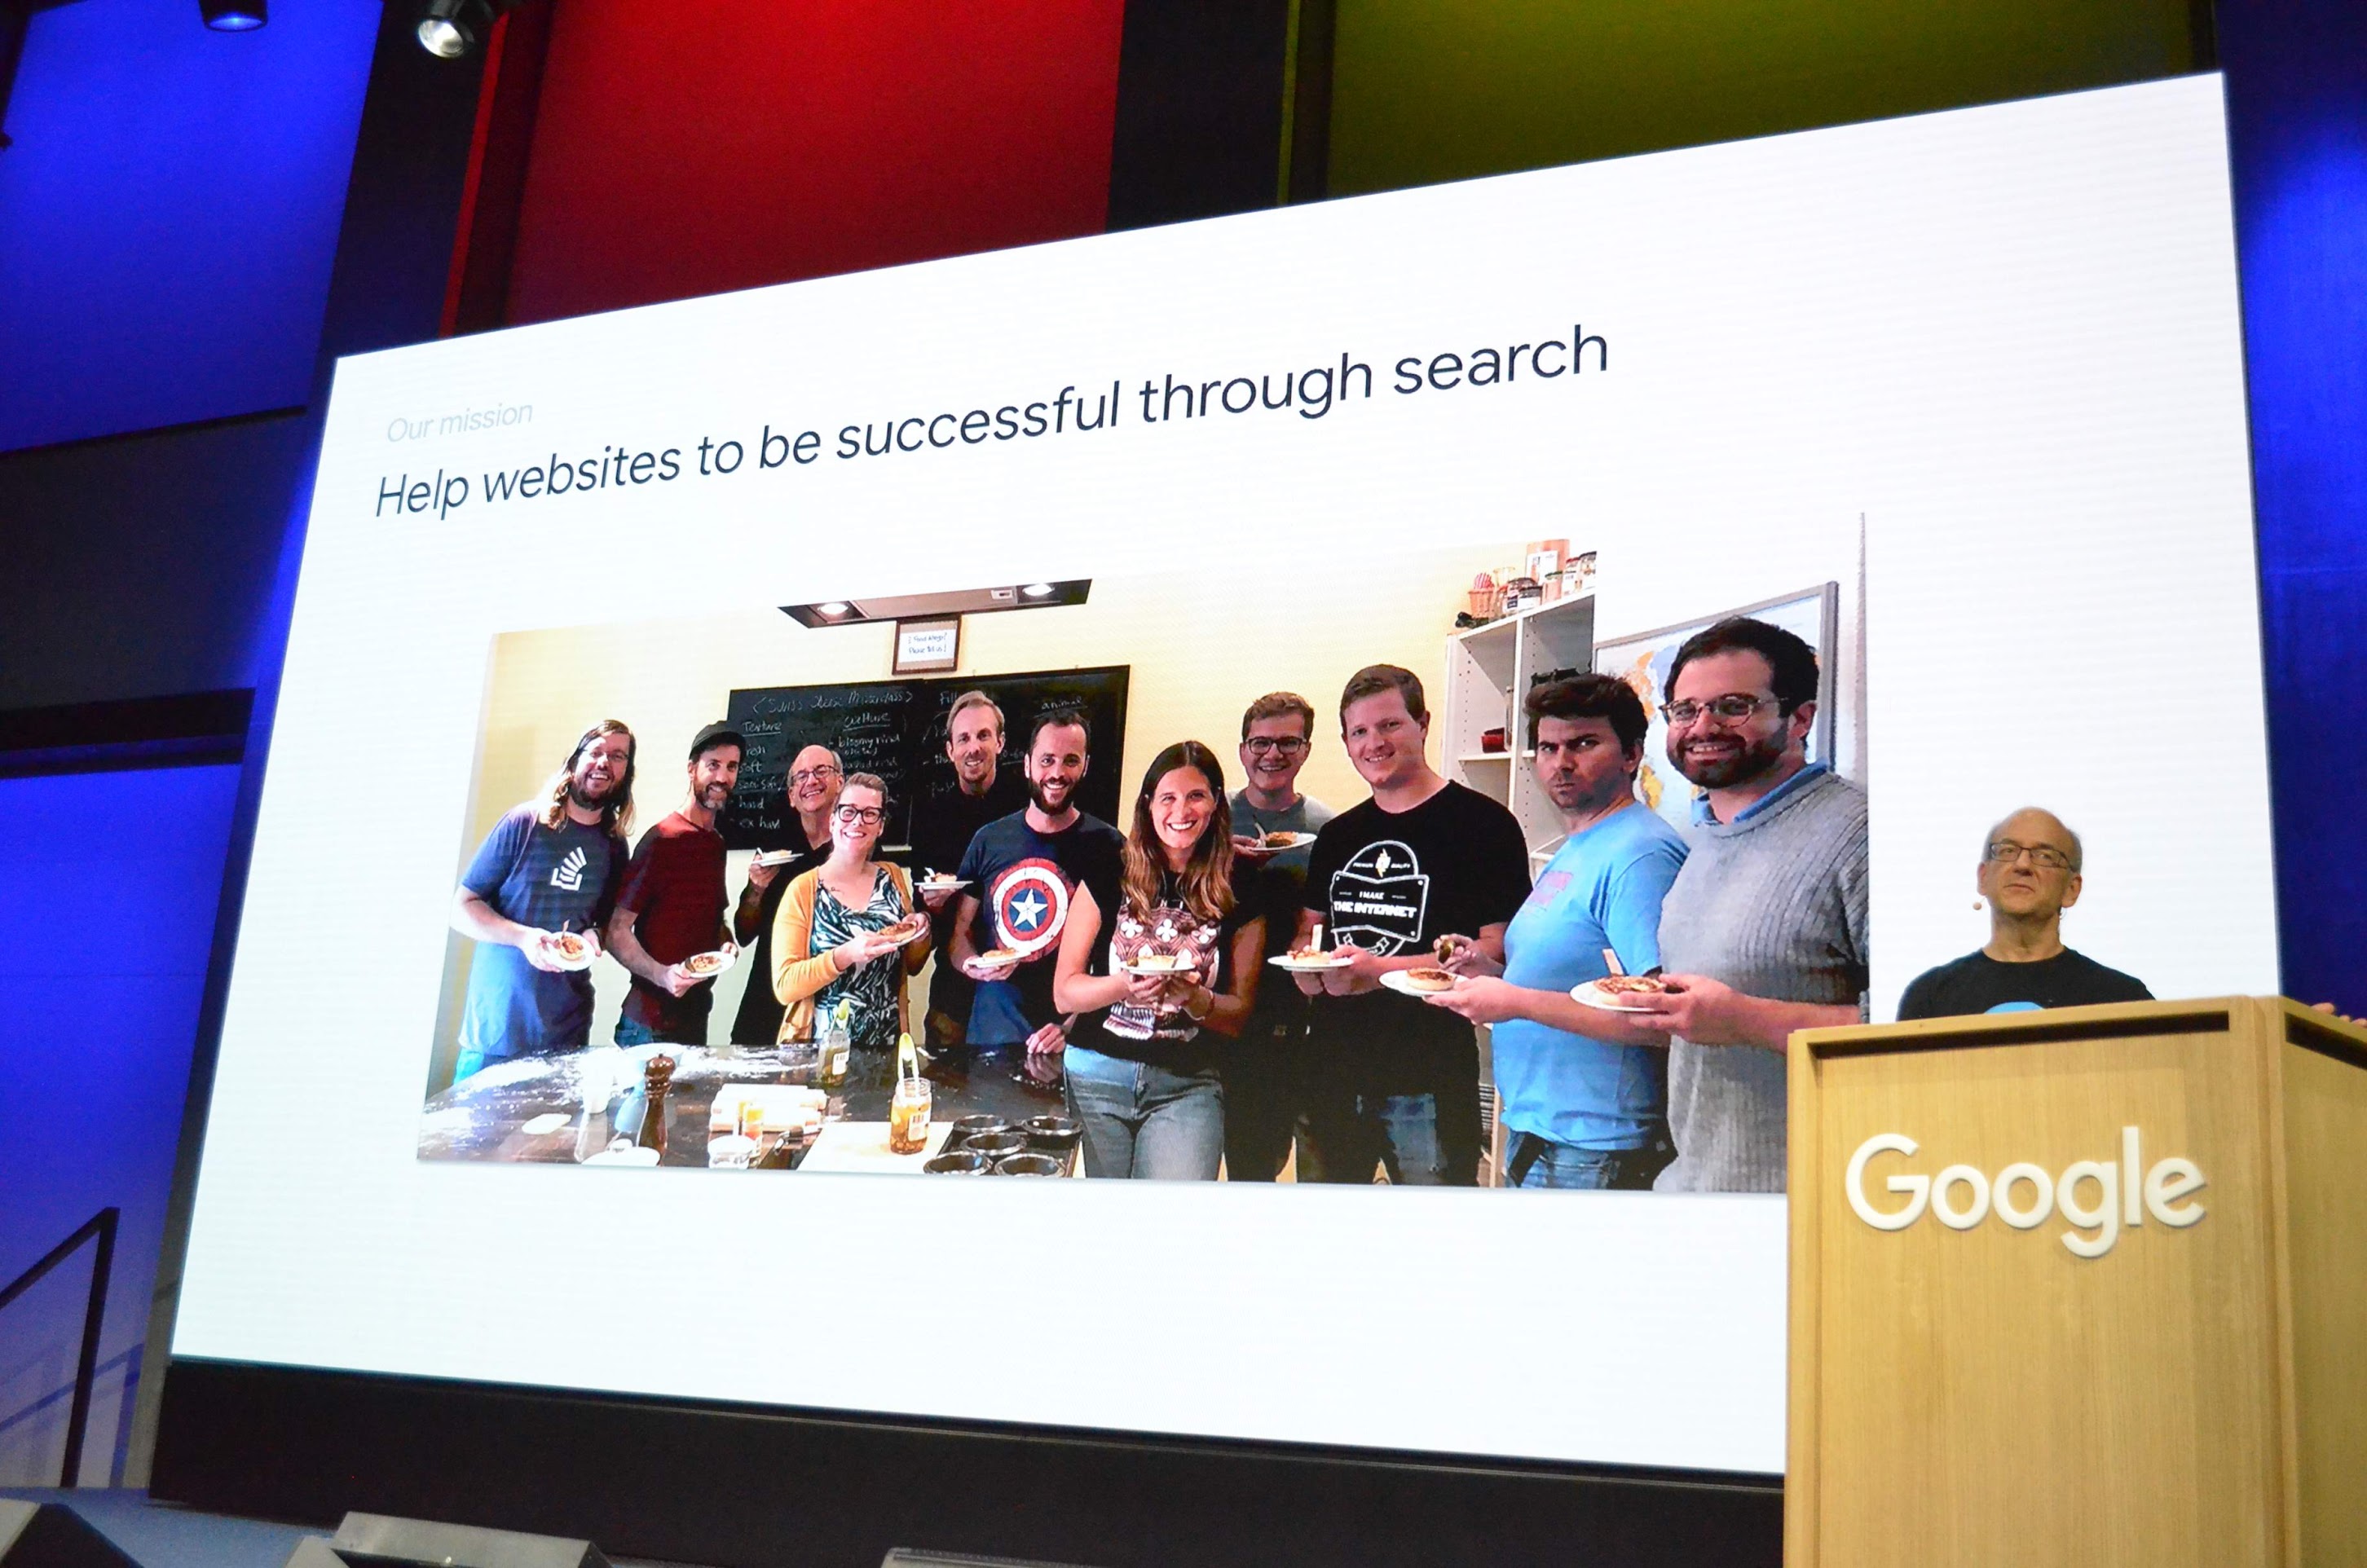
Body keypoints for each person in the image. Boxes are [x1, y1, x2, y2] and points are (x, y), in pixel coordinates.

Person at [1619, 617, 1868, 1195]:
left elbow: (1923, 1024)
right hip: (1695, 1187)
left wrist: (1744, 1020)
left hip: (1811, 1204)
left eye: (1733, 706)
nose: (1703, 727)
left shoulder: (1859, 833)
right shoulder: (1706, 831)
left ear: (1800, 717)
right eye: (1684, 711)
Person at [1426, 675, 1689, 1188]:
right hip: (1546, 1131)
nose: (1561, 763)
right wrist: (1491, 971)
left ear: (1632, 755)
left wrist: (1514, 1002)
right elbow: (1577, 972)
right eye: (1548, 747)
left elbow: (1660, 1019)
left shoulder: (1640, 855)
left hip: (1596, 1142)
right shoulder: (1577, 845)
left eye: (1583, 744)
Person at [1292, 666, 1532, 1186]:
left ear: (1422, 723)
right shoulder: (1336, 835)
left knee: (1436, 1244)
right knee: (1326, 1242)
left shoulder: (1486, 826)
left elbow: (1497, 952)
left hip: (1429, 1078)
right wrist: (1304, 970)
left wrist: (1380, 971)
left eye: (1389, 726)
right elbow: (1309, 934)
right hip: (1330, 1072)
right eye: (1359, 732)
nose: (1373, 743)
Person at [1053, 742, 1266, 1178]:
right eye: (1167, 797)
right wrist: (1125, 985)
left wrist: (1193, 997)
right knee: (1106, 1229)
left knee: (1174, 1226)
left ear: (1216, 803)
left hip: (1187, 1084)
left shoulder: (1243, 883)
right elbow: (1064, 992)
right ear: (1148, 805)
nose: (1180, 811)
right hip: (1096, 1076)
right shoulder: (1107, 867)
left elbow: (1239, 1014)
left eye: (1196, 796)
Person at [448, 722, 637, 1081]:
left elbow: (599, 923)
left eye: (617, 756)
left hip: (565, 1031)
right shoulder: (524, 823)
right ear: (574, 760)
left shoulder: (613, 845)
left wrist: (595, 937)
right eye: (595, 751)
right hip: (496, 1031)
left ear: (626, 773)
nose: (603, 762)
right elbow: (461, 907)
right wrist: (523, 937)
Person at [946, 706, 1126, 1064]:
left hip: (1075, 1042)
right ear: (1028, 764)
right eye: (1047, 760)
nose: (1057, 773)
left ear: (1085, 766)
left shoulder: (1112, 846)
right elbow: (958, 937)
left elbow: (1122, 954)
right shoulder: (989, 840)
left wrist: (1072, 1025)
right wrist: (972, 965)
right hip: (991, 1030)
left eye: (1070, 761)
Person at [1222, 691, 1336, 1181]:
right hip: (1230, 1015)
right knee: (1251, 1164)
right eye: (1261, 742)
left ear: (1307, 749)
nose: (1273, 755)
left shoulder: (1327, 828)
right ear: (1243, 748)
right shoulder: (1211, 819)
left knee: (1322, 1166)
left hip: (1307, 1016)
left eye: (1288, 743)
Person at [1897, 807, 2151, 1018]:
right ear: (1983, 878)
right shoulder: (1931, 997)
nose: (2023, 864)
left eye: (2045, 855)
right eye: (2008, 851)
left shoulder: (2122, 999)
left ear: (2072, 889)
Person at [606, 722, 743, 1046]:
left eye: (732, 767)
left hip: (695, 1019)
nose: (722, 778)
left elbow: (714, 920)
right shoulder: (661, 841)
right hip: (650, 1026)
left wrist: (726, 944)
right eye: (713, 765)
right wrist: (662, 975)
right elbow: (615, 931)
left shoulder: (716, 844)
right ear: (692, 769)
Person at [769, 773, 930, 1047]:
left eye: (870, 814)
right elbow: (785, 986)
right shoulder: (803, 889)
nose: (857, 821)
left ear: (880, 827)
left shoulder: (892, 877)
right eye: (848, 812)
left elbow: (912, 966)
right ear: (832, 821)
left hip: (888, 1045)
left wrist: (920, 933)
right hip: (819, 1051)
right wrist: (846, 955)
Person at [908, 692, 1029, 1046]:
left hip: (1021, 989)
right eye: (963, 739)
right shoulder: (931, 817)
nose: (973, 747)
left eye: (983, 736)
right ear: (950, 750)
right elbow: (922, 914)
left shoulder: (1028, 807)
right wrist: (931, 904)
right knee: (947, 1095)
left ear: (1001, 742)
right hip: (952, 991)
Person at [727, 744, 841, 1045]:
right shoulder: (775, 850)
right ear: (791, 796)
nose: (811, 781)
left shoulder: (858, 849)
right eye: (801, 776)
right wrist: (757, 887)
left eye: (821, 771)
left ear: (840, 782)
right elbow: (744, 932)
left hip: (830, 1007)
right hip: (767, 1006)